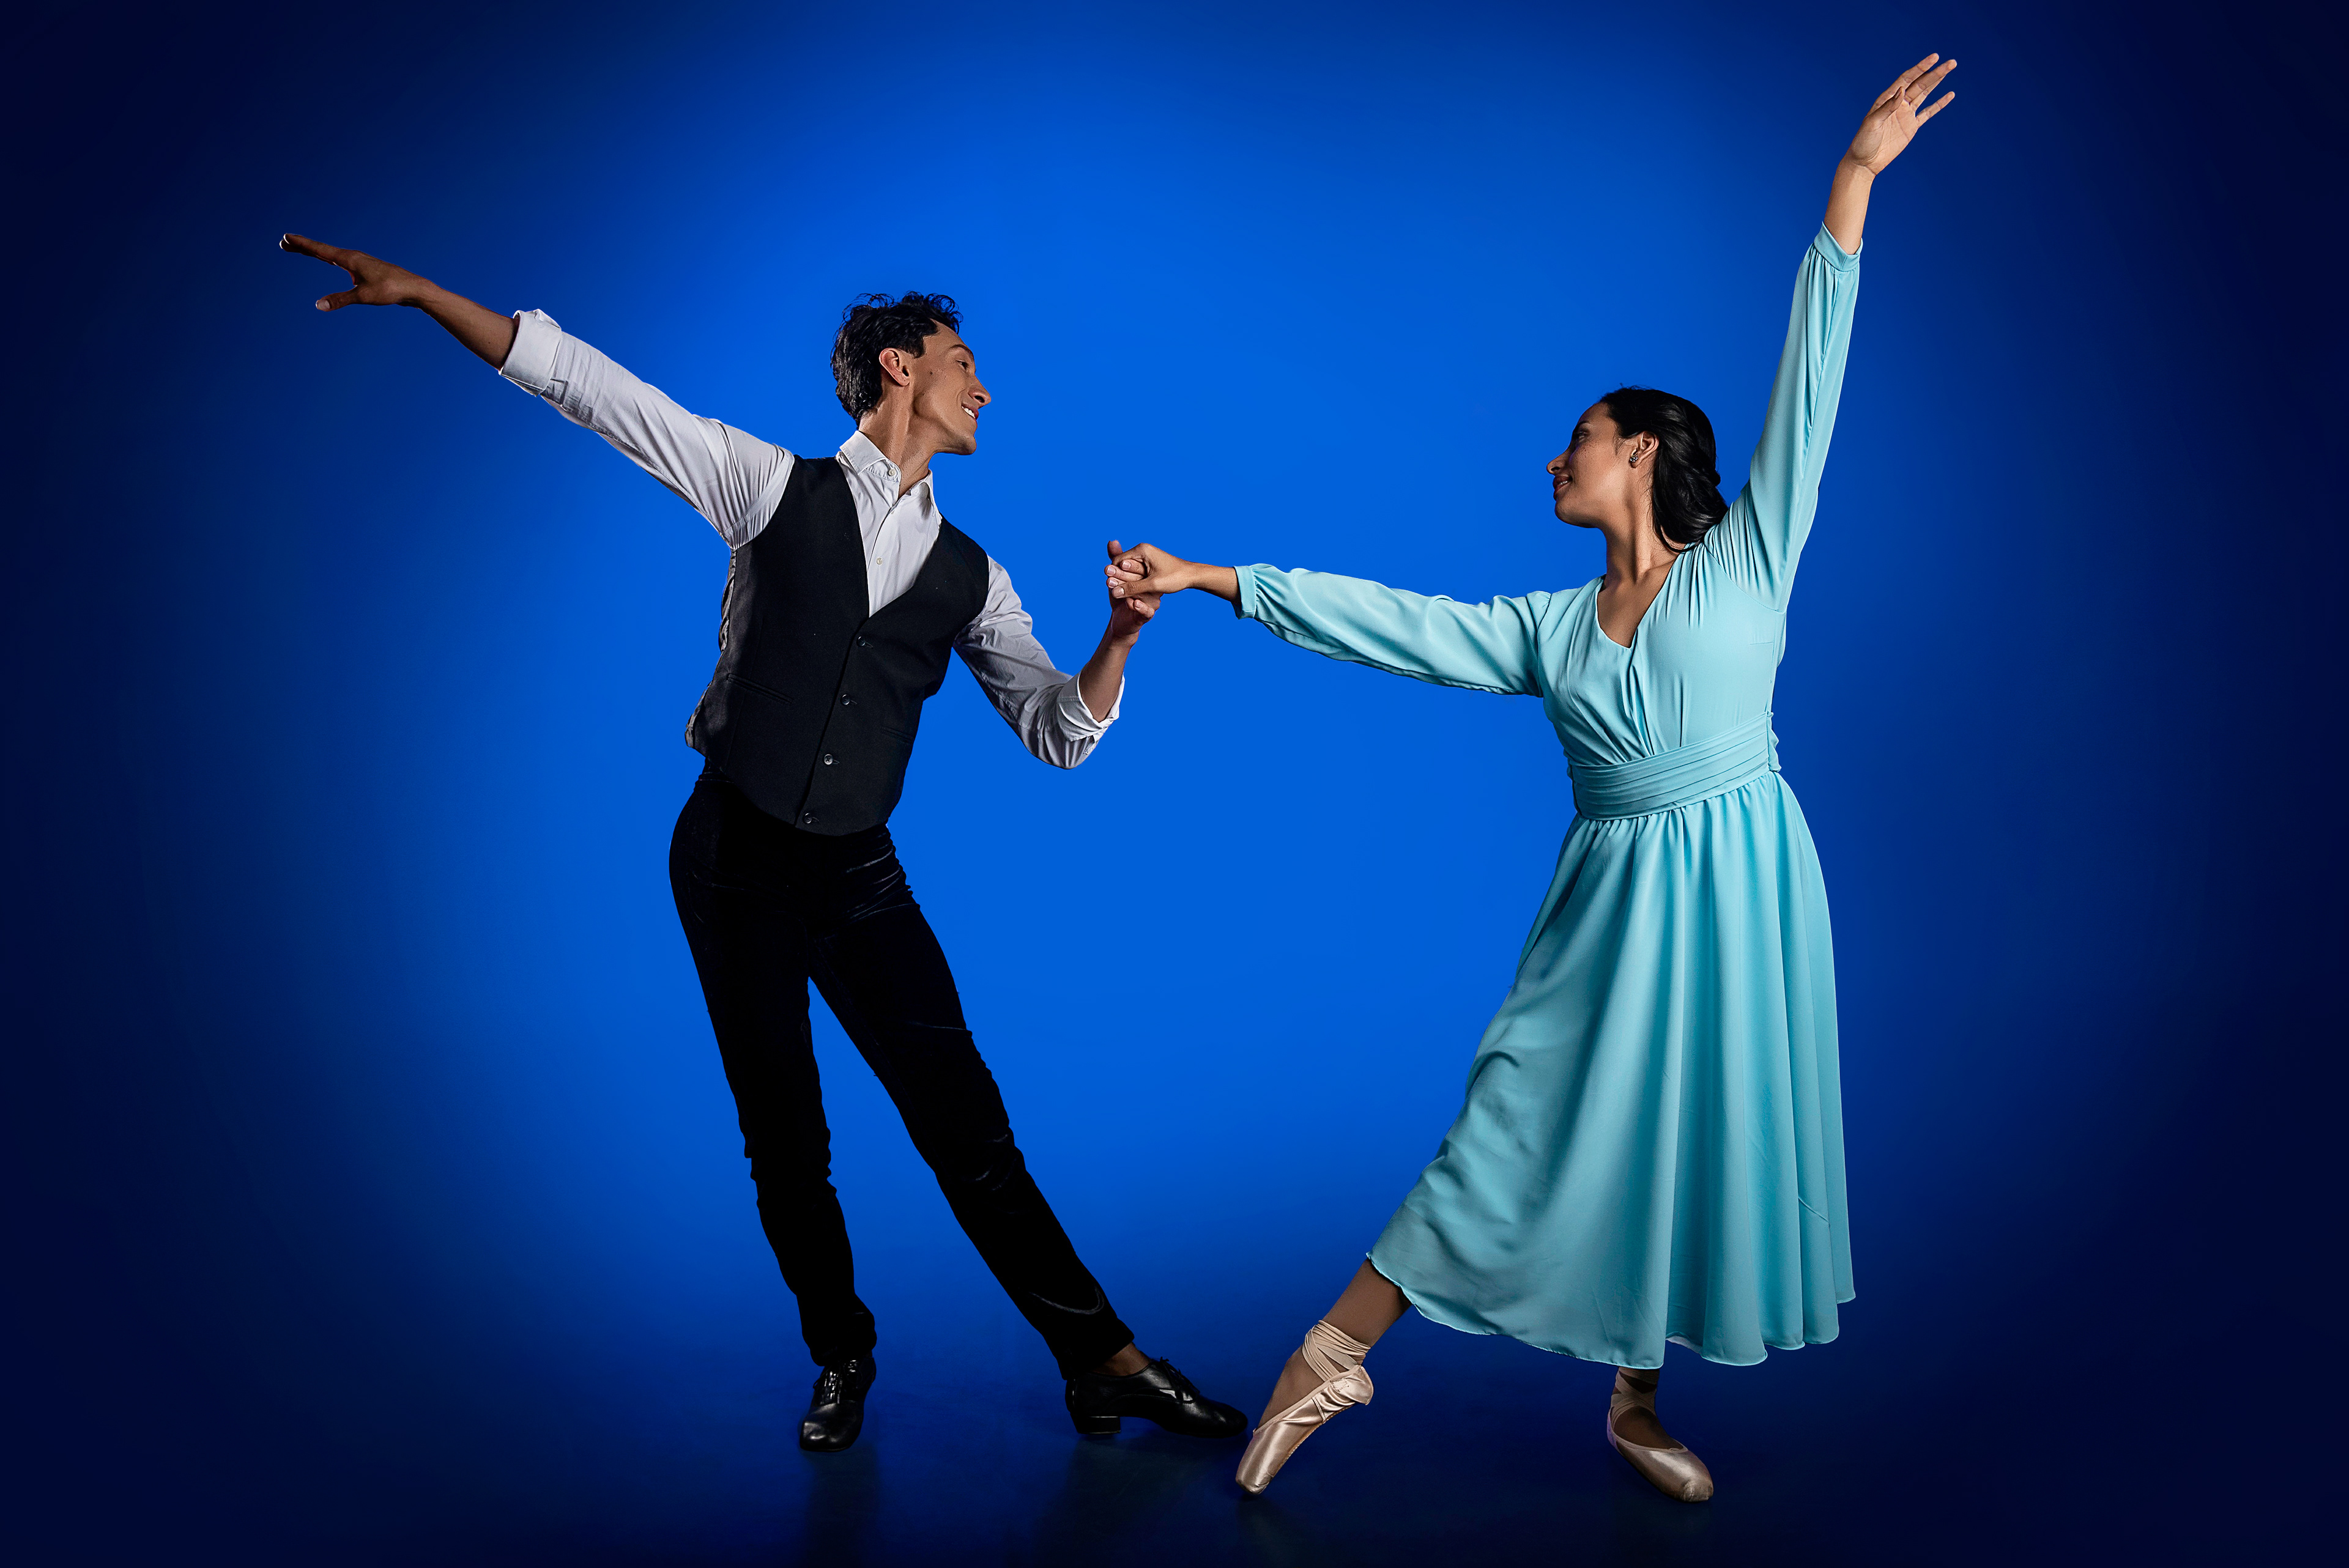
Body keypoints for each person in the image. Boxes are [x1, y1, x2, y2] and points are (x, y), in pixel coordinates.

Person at [1104, 55, 1958, 1499]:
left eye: (1580, 442)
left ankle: (1634, 1401)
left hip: (1743, 880)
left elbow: (1812, 381)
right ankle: (1331, 1353)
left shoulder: (1747, 560)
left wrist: (1853, 184)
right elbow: (1398, 625)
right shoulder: (1548, 626)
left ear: (1640, 455)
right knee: (1512, 1121)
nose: (1555, 460)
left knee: (1693, 1132)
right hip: (1610, 903)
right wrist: (1212, 579)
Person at [276, 243, 1245, 1454]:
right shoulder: (766, 484)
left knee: (970, 1128)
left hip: (860, 872)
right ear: (900, 368)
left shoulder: (973, 577)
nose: (983, 388)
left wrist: (1119, 639)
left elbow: (1059, 733)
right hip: (736, 855)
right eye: (962, 363)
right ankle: (842, 1352)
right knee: (786, 1137)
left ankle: (1102, 1361)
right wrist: (427, 297)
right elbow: (591, 388)